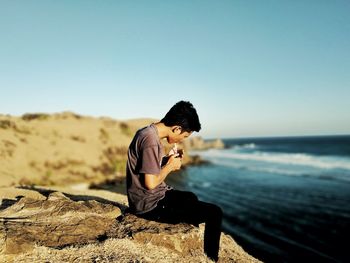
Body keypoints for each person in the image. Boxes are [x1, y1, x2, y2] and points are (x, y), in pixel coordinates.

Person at [126, 100, 223, 261]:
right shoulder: (150, 140)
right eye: (184, 135)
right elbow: (149, 183)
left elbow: (147, 166)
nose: (181, 140)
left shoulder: (148, 132)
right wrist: (170, 166)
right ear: (177, 128)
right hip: (149, 205)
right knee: (215, 212)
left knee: (190, 197)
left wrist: (166, 160)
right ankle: (211, 259)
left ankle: (194, 241)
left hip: (155, 197)